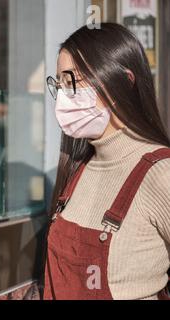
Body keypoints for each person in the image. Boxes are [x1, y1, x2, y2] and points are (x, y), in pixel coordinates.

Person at [44, 23, 170, 300]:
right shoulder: (78, 169)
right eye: (60, 84)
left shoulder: (161, 174)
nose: (63, 97)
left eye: (73, 81)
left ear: (123, 82)